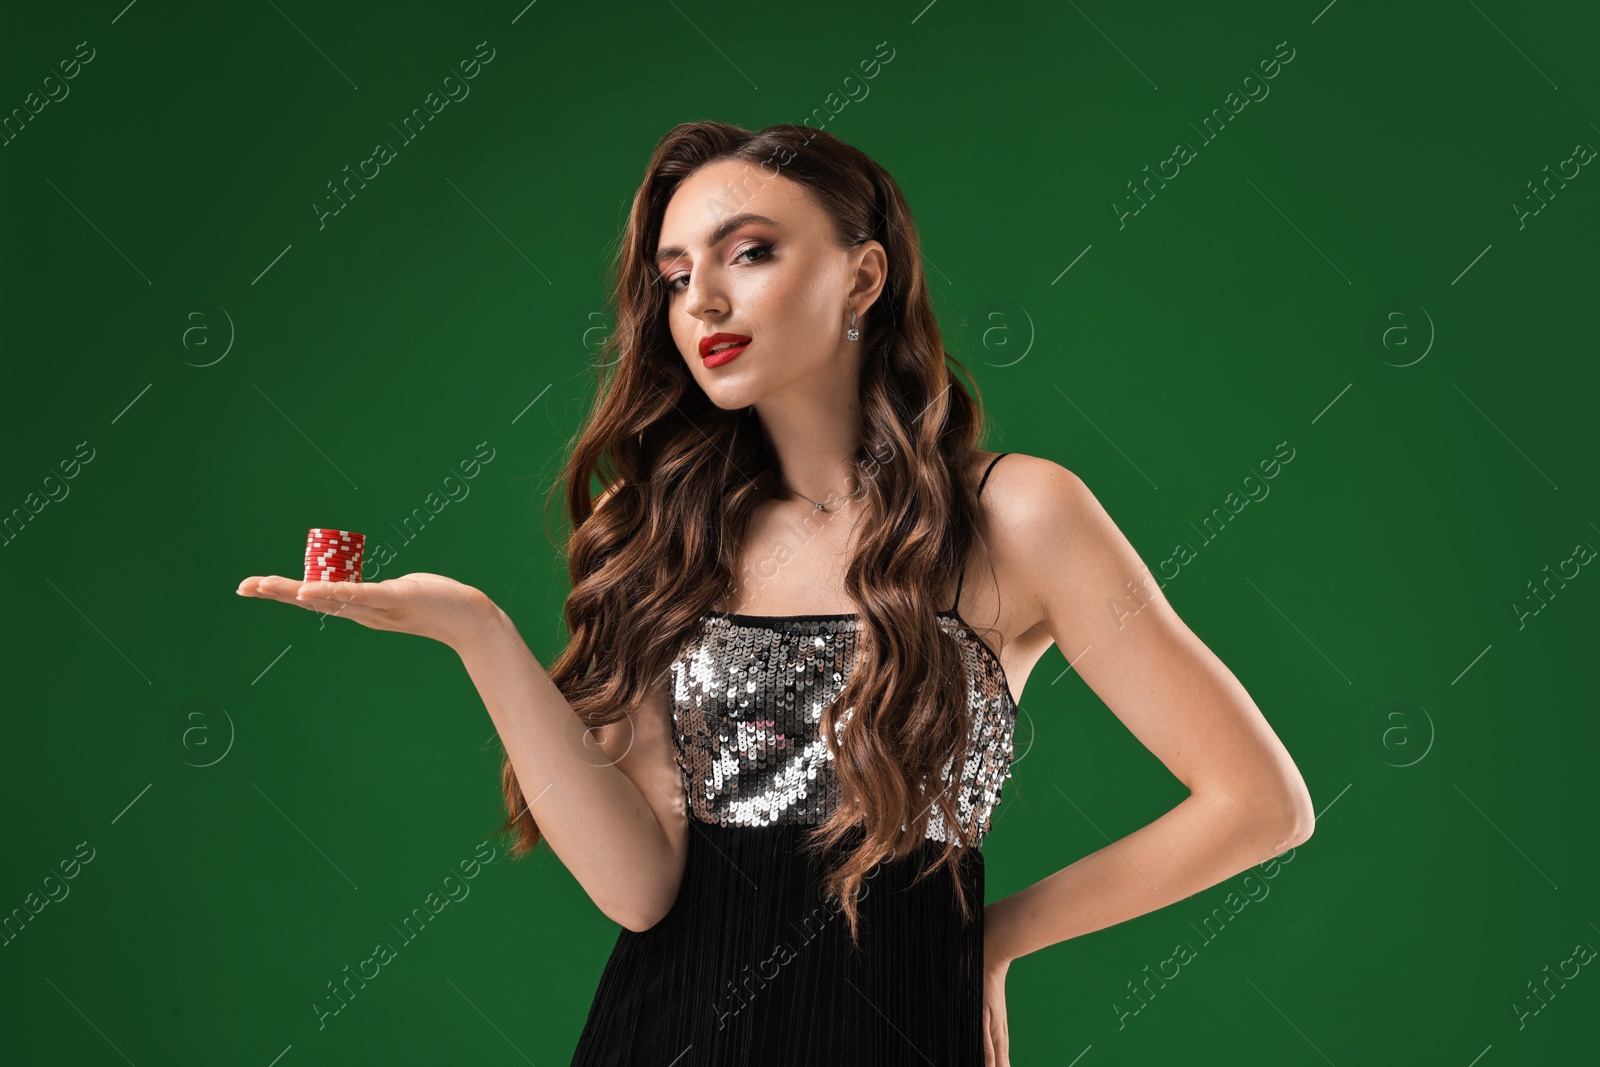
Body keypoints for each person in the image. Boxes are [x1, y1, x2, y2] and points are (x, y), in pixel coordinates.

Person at [237, 121, 1315, 1067]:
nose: (701, 297)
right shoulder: (666, 531)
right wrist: (476, 632)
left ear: (862, 277)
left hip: (896, 1026)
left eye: (749, 252)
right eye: (671, 274)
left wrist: (992, 935)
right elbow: (638, 888)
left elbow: (1258, 803)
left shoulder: (1018, 513)